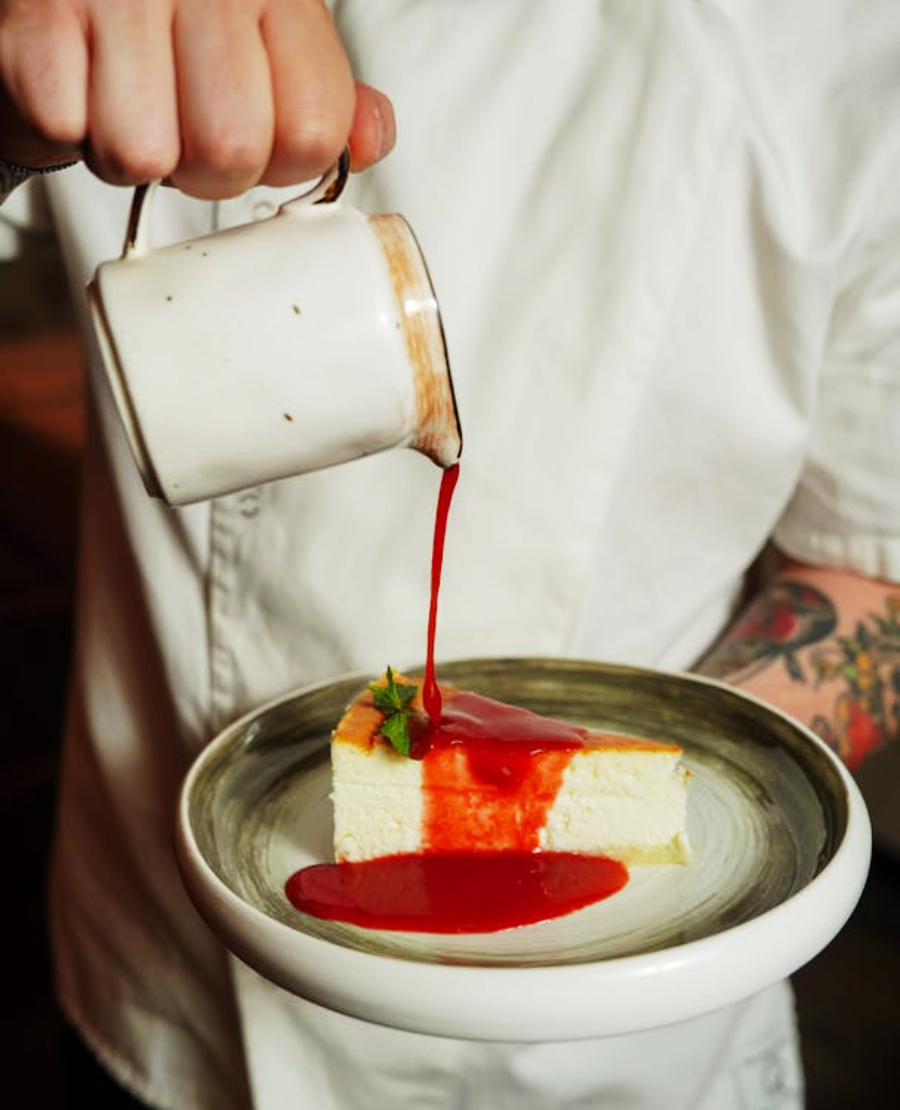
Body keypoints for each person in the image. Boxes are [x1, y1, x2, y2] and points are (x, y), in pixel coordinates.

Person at [2, 1, 899, 1107]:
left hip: (632, 1043)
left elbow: (872, 565)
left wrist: (675, 799)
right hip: (168, 984)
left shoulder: (856, 48)